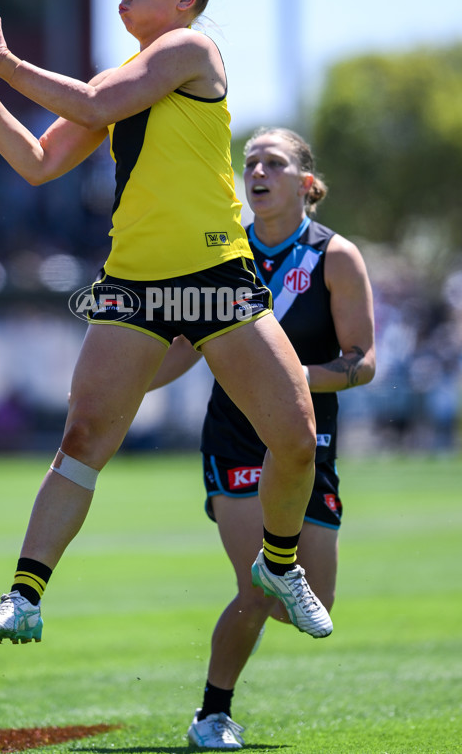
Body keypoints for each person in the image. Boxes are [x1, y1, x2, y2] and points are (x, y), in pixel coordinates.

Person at [0, 0, 332, 649]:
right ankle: (24, 595)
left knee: (295, 441)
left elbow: (92, 100)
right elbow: (40, 161)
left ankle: (280, 565)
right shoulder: (115, 81)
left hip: (216, 278)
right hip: (134, 284)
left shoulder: (188, 52)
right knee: (82, 440)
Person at [149, 127, 376, 749]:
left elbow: (363, 360)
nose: (257, 172)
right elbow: (179, 346)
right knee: (255, 586)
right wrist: (122, 388)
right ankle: (211, 717)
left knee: (306, 601)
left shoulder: (336, 256)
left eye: (273, 163)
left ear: (306, 182)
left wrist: (290, 380)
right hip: (236, 441)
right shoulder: (223, 257)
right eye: (250, 163)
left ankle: (223, 694)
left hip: (307, 445)